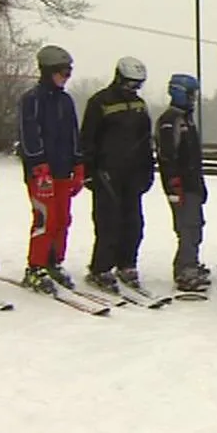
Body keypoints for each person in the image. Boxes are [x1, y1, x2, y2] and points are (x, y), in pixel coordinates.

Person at [79, 56, 154, 292]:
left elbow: (145, 141)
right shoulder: (100, 102)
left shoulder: (140, 106)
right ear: (119, 78)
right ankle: (101, 268)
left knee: (134, 222)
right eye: (131, 84)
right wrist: (89, 171)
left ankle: (127, 263)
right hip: (106, 173)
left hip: (133, 174)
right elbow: (87, 139)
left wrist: (148, 170)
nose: (134, 89)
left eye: (138, 85)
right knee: (108, 223)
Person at [17, 44, 84, 294]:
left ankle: (54, 261)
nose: (66, 78)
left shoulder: (66, 101)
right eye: (62, 72)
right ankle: (35, 267)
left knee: (63, 219)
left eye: (69, 73)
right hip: (41, 173)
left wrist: (78, 164)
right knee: (45, 218)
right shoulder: (32, 100)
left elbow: (73, 135)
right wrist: (38, 163)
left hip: (63, 170)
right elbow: (29, 135)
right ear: (48, 71)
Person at [155, 73, 210, 292]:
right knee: (188, 227)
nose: (193, 99)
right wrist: (173, 183)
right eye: (191, 94)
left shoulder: (186, 118)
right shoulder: (171, 120)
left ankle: (191, 263)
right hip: (180, 184)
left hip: (192, 182)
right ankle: (185, 270)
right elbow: (168, 155)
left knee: (196, 225)